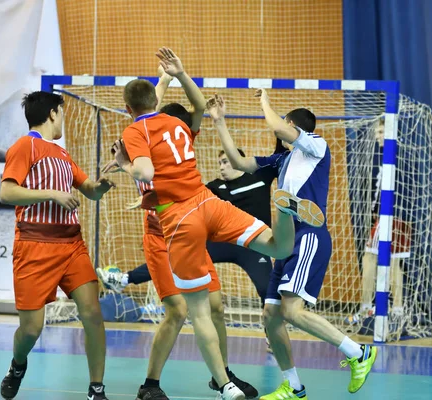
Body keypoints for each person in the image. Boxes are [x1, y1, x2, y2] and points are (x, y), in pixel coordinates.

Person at [111, 47, 322, 400]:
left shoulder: (136, 133)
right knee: (277, 247)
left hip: (178, 219)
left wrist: (123, 165)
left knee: (204, 310)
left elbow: (144, 161)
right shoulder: (177, 125)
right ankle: (284, 208)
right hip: (205, 204)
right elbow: (190, 107)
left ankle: (223, 383)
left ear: (129, 109)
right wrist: (177, 74)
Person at [99, 51, 257, 400]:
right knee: (178, 310)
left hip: (189, 230)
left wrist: (172, 76)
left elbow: (169, 108)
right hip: (160, 234)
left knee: (215, 307)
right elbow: (147, 116)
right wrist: (167, 79)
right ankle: (150, 384)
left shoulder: (177, 136)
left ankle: (222, 377)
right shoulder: (139, 140)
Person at [207, 89, 377, 398]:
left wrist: (264, 103)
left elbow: (280, 129)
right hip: (285, 242)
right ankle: (294, 388)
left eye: (286, 125)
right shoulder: (281, 160)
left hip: (310, 236)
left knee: (292, 311)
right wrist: (219, 122)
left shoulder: (316, 146)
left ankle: (358, 352)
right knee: (271, 317)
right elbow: (239, 162)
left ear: (294, 127)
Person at [0, 91, 114, 400]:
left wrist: (101, 184)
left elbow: (88, 190)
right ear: (52, 114)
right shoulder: (25, 146)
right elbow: (7, 192)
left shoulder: (62, 154)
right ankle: (18, 364)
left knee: (92, 312)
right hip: (35, 245)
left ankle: (96, 388)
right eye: (62, 113)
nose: (63, 118)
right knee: (32, 329)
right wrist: (51, 194)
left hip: (71, 244)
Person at [108, 148, 275, 308]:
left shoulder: (259, 178)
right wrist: (131, 171)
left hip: (253, 246)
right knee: (174, 256)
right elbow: (180, 190)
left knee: (268, 293)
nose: (222, 167)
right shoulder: (215, 187)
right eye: (219, 163)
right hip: (222, 242)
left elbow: (280, 153)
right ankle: (124, 279)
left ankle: (270, 333)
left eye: (225, 162)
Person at [345, 120, 411, 327]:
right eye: (376, 132)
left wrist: (381, 212)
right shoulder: (391, 156)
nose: (377, 136)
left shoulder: (394, 156)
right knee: (393, 263)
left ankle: (366, 307)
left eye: (381, 131)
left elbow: (389, 189)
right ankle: (398, 309)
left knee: (370, 258)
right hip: (398, 217)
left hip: (391, 216)